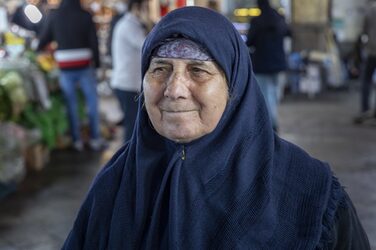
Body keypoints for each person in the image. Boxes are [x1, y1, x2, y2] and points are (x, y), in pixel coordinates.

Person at [62, 7, 370, 249]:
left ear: (233, 87)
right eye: (160, 69)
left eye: (198, 71)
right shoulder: (115, 183)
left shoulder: (309, 192)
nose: (174, 89)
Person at [37, 0, 104, 151]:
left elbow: (44, 38)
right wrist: (98, 65)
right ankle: (95, 138)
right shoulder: (85, 15)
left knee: (71, 104)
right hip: (84, 63)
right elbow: (94, 41)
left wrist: (39, 49)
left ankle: (77, 140)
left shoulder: (54, 15)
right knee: (92, 102)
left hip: (65, 65)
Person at [110, 0, 153, 142]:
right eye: (145, 7)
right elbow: (147, 45)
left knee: (133, 127)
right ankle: (128, 162)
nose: (147, 10)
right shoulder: (129, 26)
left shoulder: (132, 24)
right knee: (132, 129)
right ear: (137, 7)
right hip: (127, 84)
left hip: (128, 83)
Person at [246, 0, 290, 132]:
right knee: (275, 94)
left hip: (262, 63)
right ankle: (273, 121)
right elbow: (289, 33)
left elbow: (249, 42)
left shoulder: (257, 21)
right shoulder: (279, 19)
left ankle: (271, 123)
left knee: (265, 95)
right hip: (279, 63)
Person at [353, 0, 376, 124]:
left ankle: (365, 110)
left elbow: (364, 31)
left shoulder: (370, 9)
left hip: (372, 51)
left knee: (366, 80)